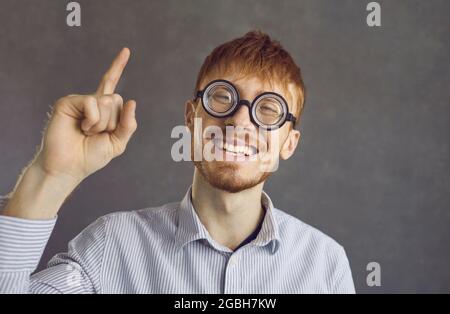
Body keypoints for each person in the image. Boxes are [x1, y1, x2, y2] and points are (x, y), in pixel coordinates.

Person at [0, 31, 355, 293]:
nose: (239, 123)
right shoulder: (112, 247)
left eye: (267, 110)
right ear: (191, 117)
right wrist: (51, 175)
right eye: (222, 99)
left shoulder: (325, 264)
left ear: (289, 143)